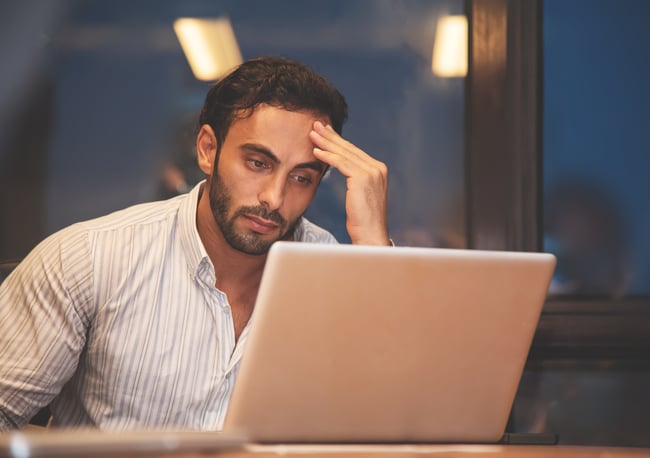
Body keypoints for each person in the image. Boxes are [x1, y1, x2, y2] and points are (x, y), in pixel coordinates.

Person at [0, 57, 390, 431]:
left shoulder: (344, 278)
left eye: (302, 177)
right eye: (258, 163)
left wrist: (374, 245)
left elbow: (395, 426)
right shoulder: (87, 260)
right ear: (207, 149)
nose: (274, 197)